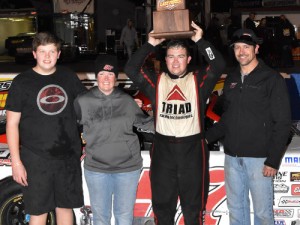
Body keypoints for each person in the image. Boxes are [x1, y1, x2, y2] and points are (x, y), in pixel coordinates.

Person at [124, 21, 226, 225]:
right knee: (162, 207)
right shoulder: (157, 81)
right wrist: (150, 44)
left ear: (188, 59)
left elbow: (219, 65)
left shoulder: (198, 81)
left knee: (193, 209)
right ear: (165, 60)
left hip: (193, 149)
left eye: (180, 57)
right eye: (171, 57)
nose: (176, 62)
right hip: (163, 149)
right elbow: (131, 68)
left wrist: (199, 40)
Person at [206, 28, 291, 225]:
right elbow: (227, 118)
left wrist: (273, 160)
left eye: (246, 47)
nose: (241, 51)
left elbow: (283, 122)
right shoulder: (232, 79)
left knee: (262, 213)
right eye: (237, 47)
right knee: (236, 210)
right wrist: (205, 138)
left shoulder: (271, 79)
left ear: (256, 49)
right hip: (232, 158)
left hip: (260, 160)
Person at [6, 32, 86, 225]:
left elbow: (88, 112)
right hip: (36, 159)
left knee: (65, 209)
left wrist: (87, 144)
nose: (47, 56)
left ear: (58, 54)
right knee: (38, 212)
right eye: (43, 51)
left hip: (68, 157)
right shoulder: (21, 82)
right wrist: (16, 162)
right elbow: (12, 124)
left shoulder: (69, 78)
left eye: (52, 51)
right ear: (34, 54)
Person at [74, 54, 154, 225]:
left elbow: (146, 123)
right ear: (96, 76)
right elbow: (68, 127)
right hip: (96, 169)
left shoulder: (127, 101)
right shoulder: (83, 101)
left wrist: (173, 121)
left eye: (110, 74)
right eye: (102, 73)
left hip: (127, 169)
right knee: (100, 218)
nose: (106, 78)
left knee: (124, 217)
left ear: (116, 78)